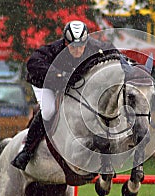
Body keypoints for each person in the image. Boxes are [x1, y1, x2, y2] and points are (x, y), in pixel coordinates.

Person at [11, 20, 118, 170]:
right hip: (46, 84)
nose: (78, 50)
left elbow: (114, 54)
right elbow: (33, 63)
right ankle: (27, 152)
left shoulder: (96, 47)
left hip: (73, 83)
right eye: (73, 47)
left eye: (81, 46)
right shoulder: (53, 49)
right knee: (49, 111)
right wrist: (58, 74)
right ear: (66, 43)